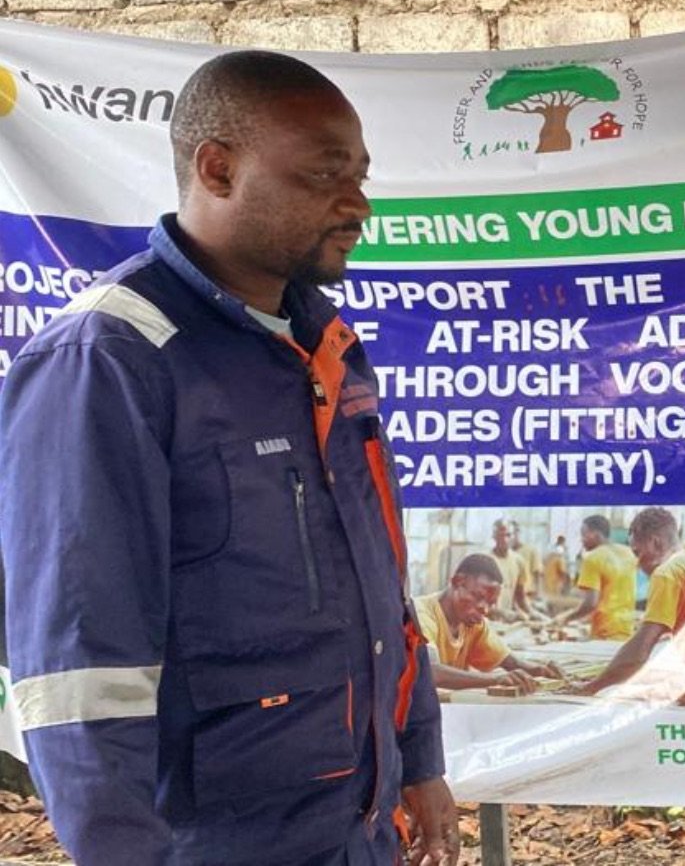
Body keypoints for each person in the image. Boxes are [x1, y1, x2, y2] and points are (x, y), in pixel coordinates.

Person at [0, 51, 458, 865]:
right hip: (215, 842)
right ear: (217, 168)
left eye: (360, 175)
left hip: (355, 827)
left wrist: (417, 757)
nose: (358, 205)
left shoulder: (327, 347)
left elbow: (379, 581)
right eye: (326, 175)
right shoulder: (109, 361)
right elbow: (78, 666)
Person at [582, 507, 685, 703]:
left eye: (637, 552)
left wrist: (592, 687)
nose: (637, 563)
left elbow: (639, 651)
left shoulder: (667, 572)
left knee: (610, 695)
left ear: (655, 542)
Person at [414, 554, 564, 693]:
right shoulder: (421, 615)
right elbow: (430, 672)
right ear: (457, 582)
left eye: (491, 603)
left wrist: (539, 670)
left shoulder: (473, 622)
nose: (484, 609)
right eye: (478, 596)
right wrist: (495, 679)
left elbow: (509, 661)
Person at [555, 515, 638, 641]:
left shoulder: (593, 558)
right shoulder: (628, 553)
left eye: (584, 534)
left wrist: (565, 618)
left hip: (605, 631)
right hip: (626, 628)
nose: (581, 540)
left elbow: (590, 604)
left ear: (595, 534)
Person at [490, 519, 536, 619]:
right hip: (488, 623)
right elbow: (478, 602)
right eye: (500, 535)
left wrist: (534, 614)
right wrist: (503, 613)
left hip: (507, 625)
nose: (505, 539)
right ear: (494, 537)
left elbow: (521, 597)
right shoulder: (486, 561)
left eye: (508, 535)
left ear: (514, 536)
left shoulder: (518, 561)